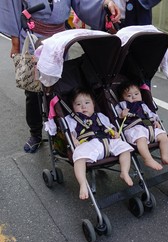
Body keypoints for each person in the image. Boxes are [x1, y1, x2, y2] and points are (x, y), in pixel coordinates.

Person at [0, 0, 121, 153]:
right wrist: (15, 44)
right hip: (33, 37)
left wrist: (106, 4)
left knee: (61, 87)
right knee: (34, 90)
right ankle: (35, 134)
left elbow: (83, 2)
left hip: (60, 40)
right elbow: (11, 8)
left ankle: (63, 132)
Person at [65, 87, 134, 200]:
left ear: (93, 104)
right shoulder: (71, 119)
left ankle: (124, 172)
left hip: (107, 141)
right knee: (79, 157)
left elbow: (110, 127)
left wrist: (115, 133)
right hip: (88, 144)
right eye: (78, 104)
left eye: (87, 103)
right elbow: (68, 132)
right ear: (72, 107)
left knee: (125, 148)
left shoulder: (100, 116)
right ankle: (83, 183)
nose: (83, 106)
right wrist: (73, 139)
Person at [115, 81, 168, 171]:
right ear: (122, 98)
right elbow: (116, 116)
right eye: (129, 96)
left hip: (147, 125)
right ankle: (148, 159)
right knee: (141, 139)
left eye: (136, 94)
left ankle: (164, 157)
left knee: (163, 136)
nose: (134, 97)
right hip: (133, 128)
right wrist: (121, 115)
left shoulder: (143, 105)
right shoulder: (122, 105)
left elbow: (151, 114)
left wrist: (155, 121)